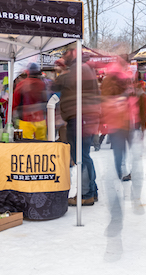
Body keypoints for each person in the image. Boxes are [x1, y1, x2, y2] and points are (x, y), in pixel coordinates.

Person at [54, 43, 100, 206]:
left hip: (81, 118)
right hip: (84, 117)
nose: (63, 55)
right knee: (84, 155)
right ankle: (91, 191)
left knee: (80, 156)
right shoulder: (82, 67)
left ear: (73, 52)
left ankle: (86, 194)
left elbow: (58, 84)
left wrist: (60, 72)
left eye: (65, 52)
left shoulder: (78, 68)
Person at [12, 63, 48, 140]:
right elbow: (46, 100)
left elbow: (15, 101)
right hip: (41, 119)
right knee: (43, 144)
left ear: (28, 72)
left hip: (26, 119)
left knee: (26, 144)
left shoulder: (22, 84)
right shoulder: (43, 84)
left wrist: (14, 114)